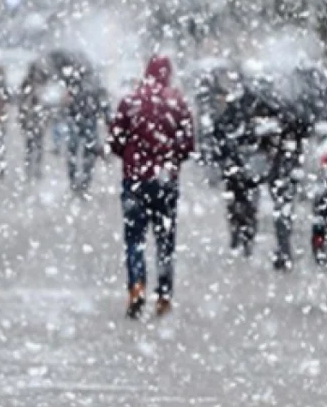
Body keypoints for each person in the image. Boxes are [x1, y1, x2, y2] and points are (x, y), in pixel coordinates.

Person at [108, 55, 195, 318]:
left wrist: (131, 157)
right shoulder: (177, 103)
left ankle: (136, 286)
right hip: (165, 182)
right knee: (165, 240)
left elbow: (115, 140)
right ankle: (164, 295)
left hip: (135, 179)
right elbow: (187, 144)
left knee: (135, 238)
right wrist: (169, 159)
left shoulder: (131, 101)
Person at [213, 75, 305, 269]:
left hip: (255, 162)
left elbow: (222, 131)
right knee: (276, 206)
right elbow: (297, 130)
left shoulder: (243, 106)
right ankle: (278, 248)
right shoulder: (281, 107)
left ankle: (246, 241)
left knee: (246, 203)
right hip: (266, 162)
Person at [61, 60, 109, 195]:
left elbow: (66, 104)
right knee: (87, 153)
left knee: (76, 153)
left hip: (79, 121)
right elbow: (104, 105)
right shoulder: (94, 85)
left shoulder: (75, 83)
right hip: (86, 121)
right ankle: (83, 183)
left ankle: (77, 183)